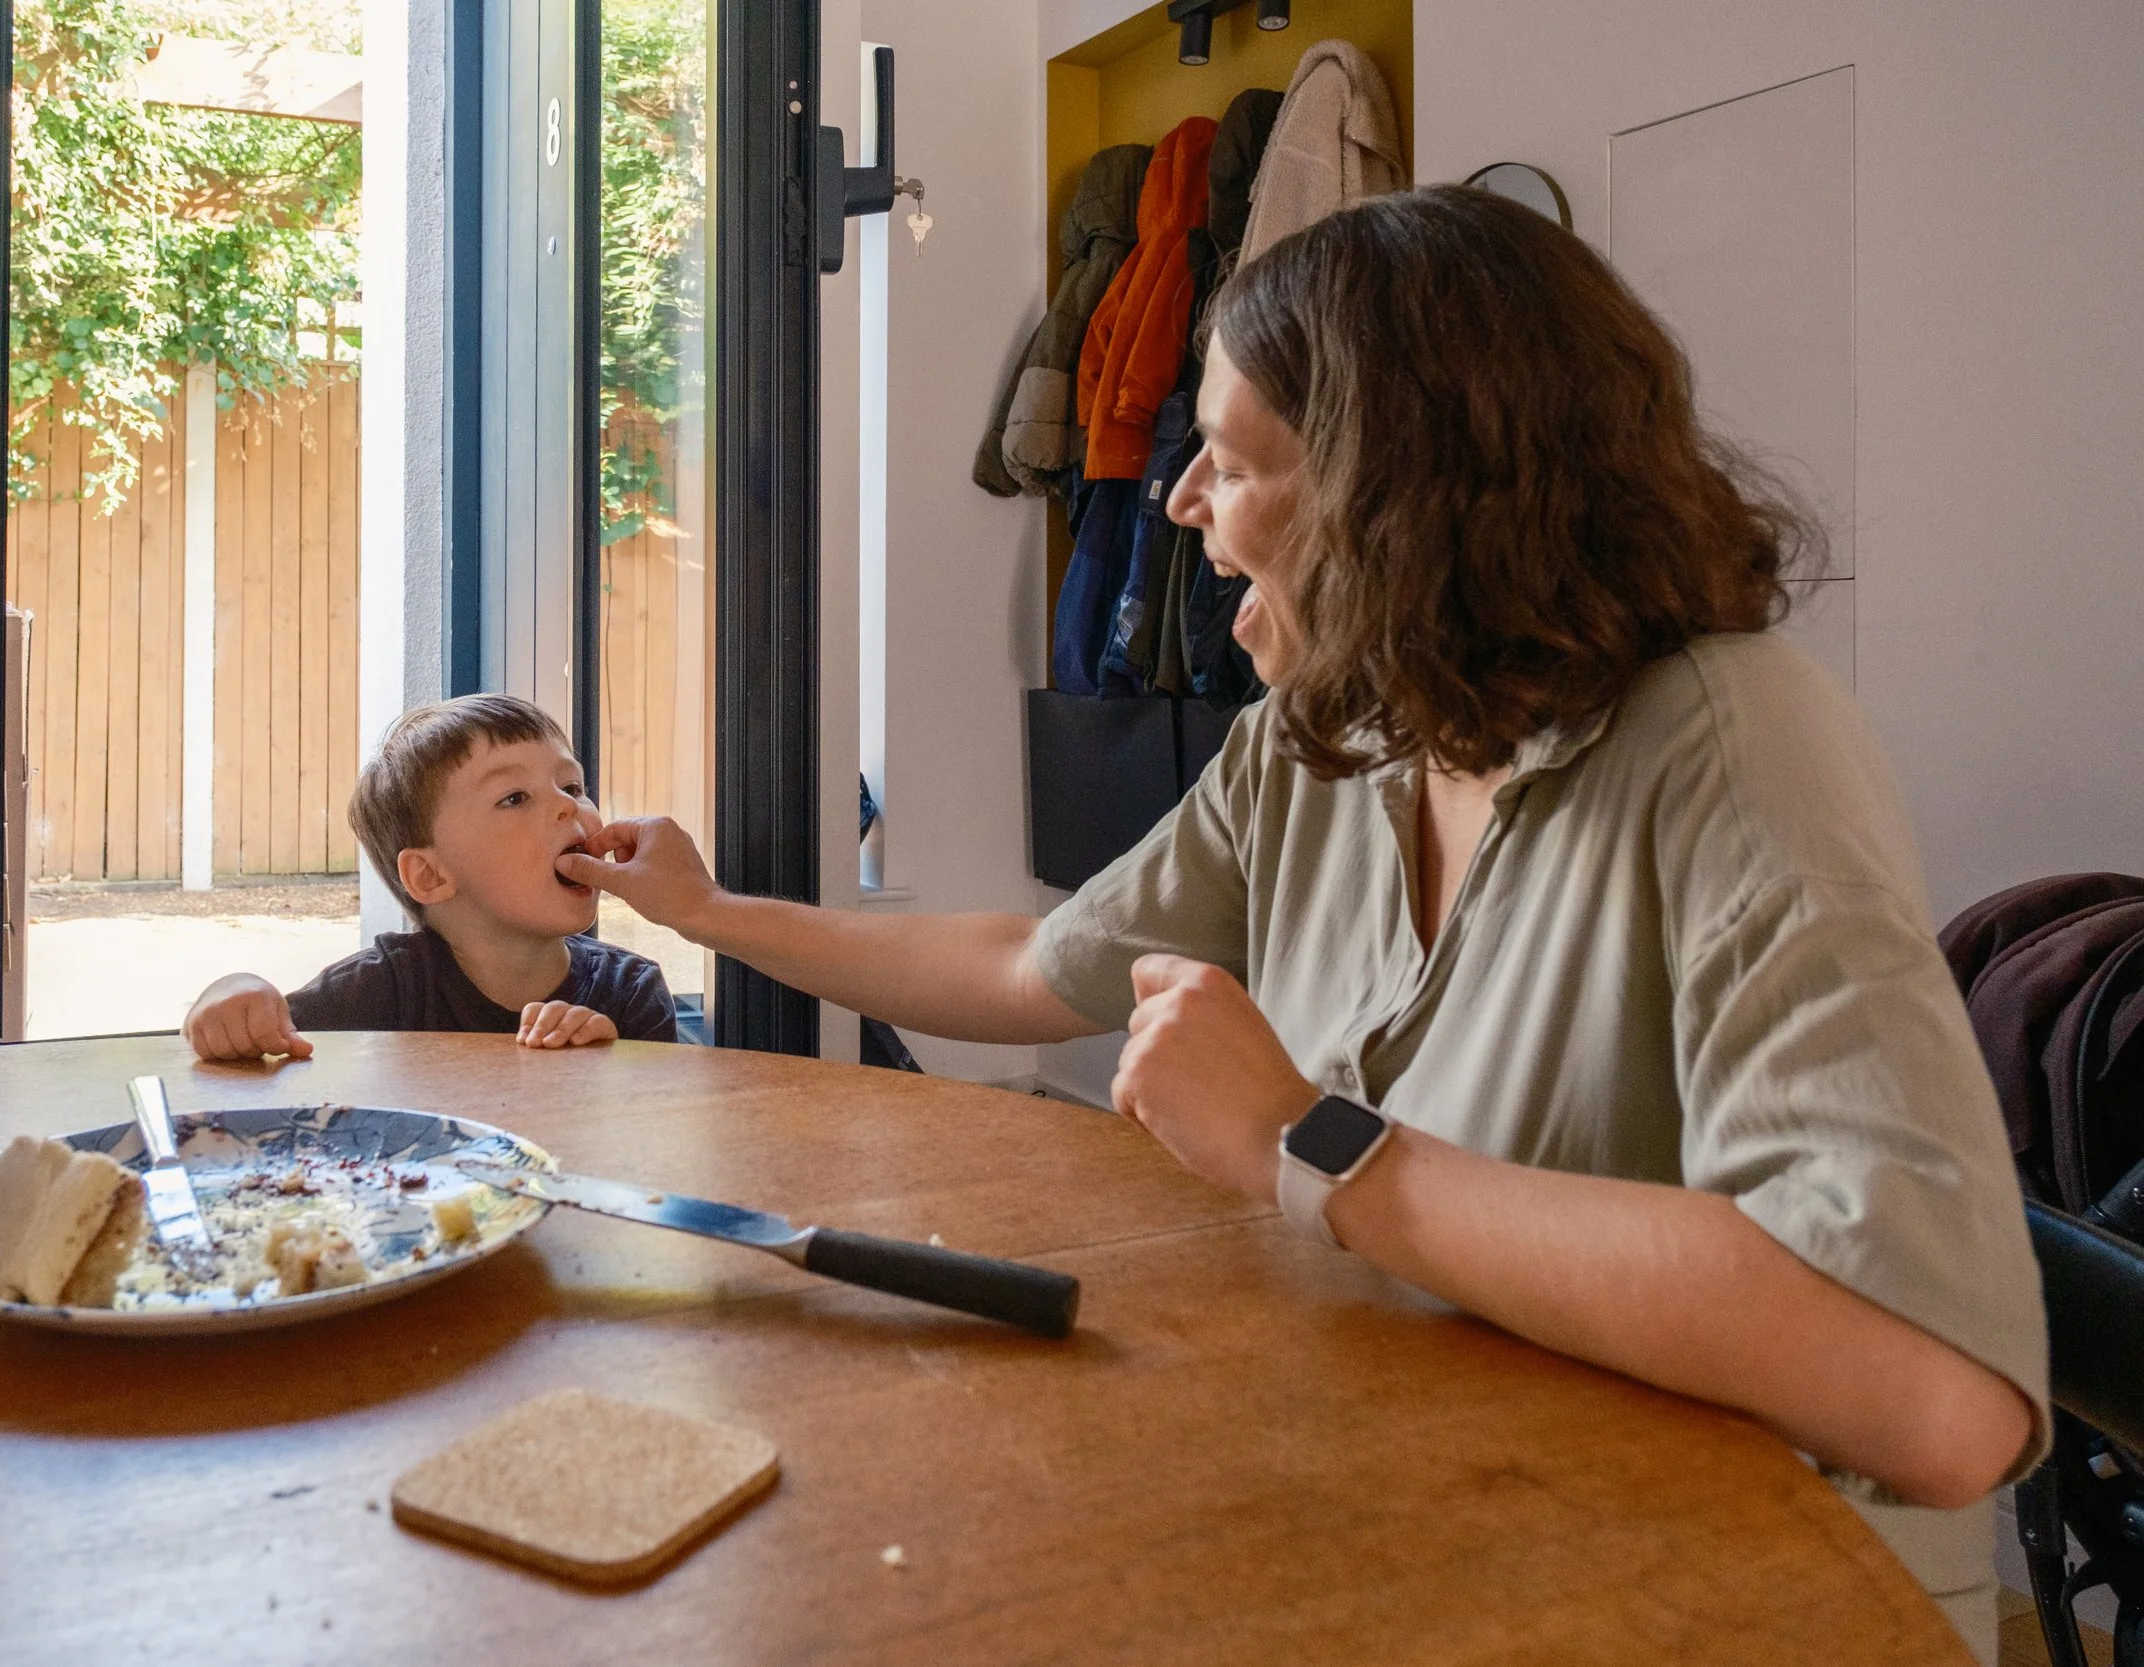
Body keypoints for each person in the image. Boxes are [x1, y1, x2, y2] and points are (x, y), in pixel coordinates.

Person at [557, 187, 2045, 1658]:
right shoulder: (1339, 731)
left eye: (1226, 456)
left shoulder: (1737, 739)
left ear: (1397, 492)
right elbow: (1033, 962)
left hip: (1719, 1596)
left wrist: (1312, 1144)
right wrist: (707, 912)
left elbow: (1932, 1394)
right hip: (1436, 1516)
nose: (1182, 502)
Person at [184, 694, 676, 1060]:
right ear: (430, 874)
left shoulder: (631, 992)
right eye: (514, 798)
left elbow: (659, 1151)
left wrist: (609, 1070)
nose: (570, 805)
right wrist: (231, 995)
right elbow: (267, 1048)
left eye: (571, 785)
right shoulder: (381, 990)